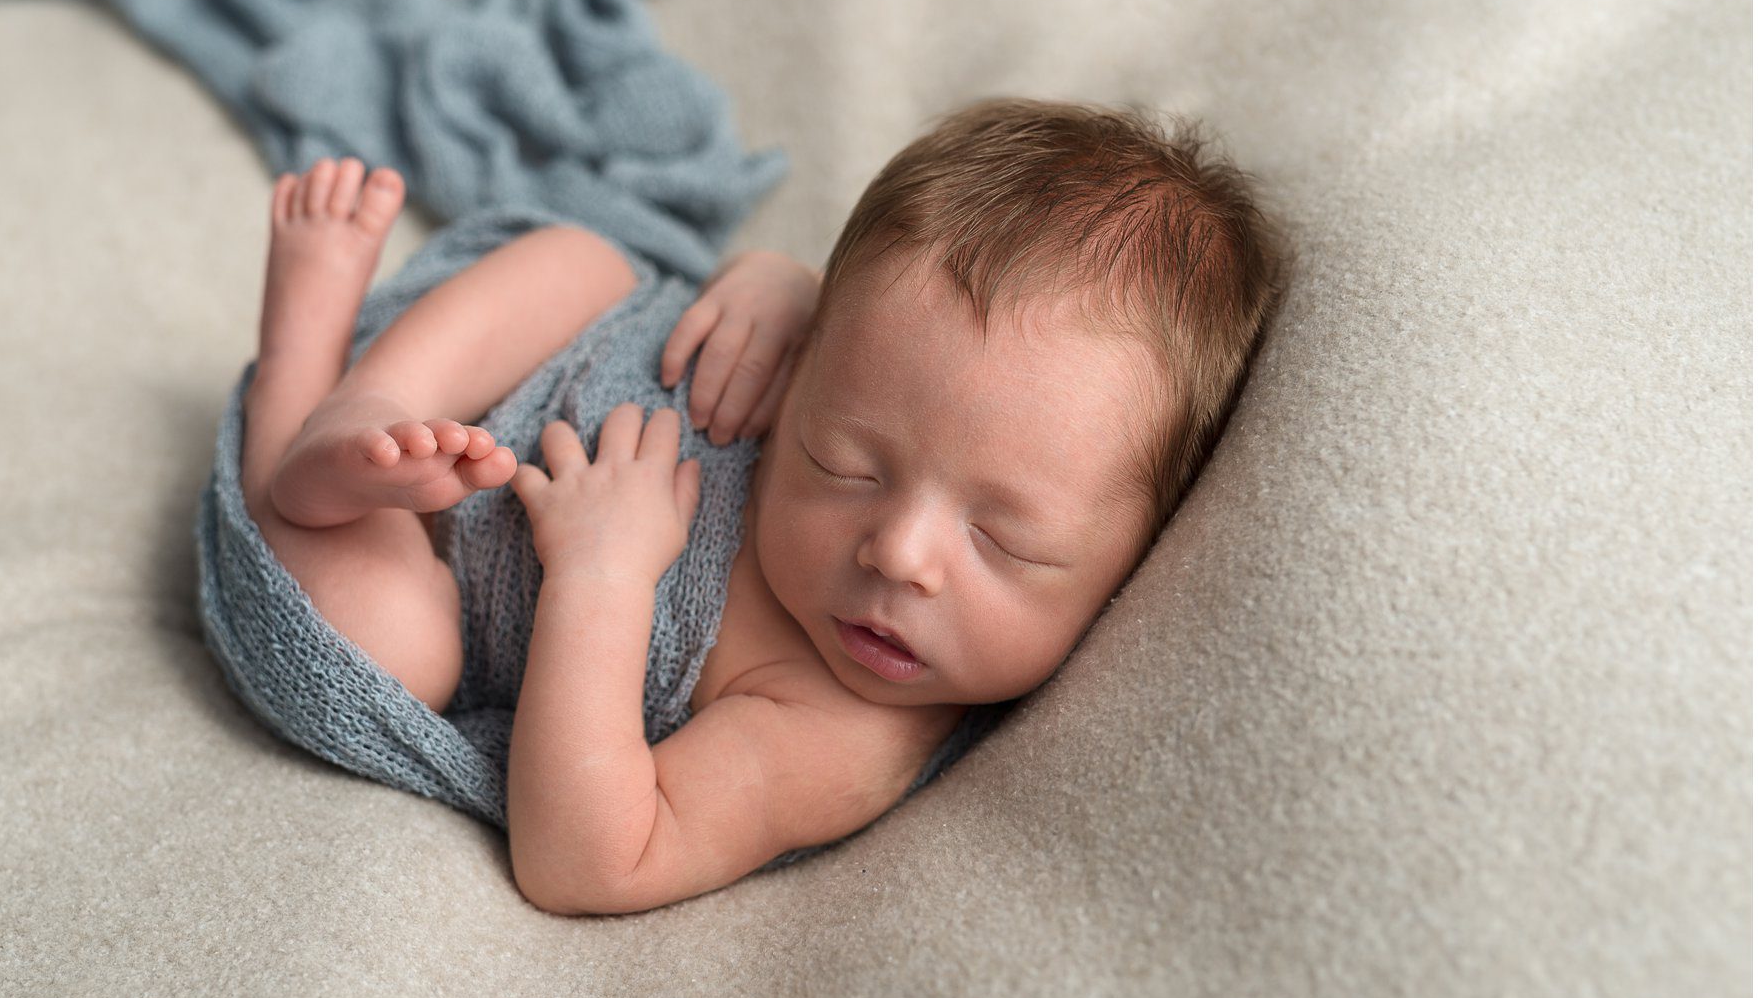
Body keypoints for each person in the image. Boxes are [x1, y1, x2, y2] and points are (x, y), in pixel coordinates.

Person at [231, 97, 1287, 913]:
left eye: (1004, 539)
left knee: (394, 646)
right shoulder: (850, 352)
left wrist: (601, 583)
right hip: (476, 356)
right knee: (588, 257)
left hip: (401, 548)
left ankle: (297, 370)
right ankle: (367, 399)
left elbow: (591, 859)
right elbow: (763, 313)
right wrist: (770, 286)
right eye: (845, 462)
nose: (900, 553)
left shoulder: (838, 735)